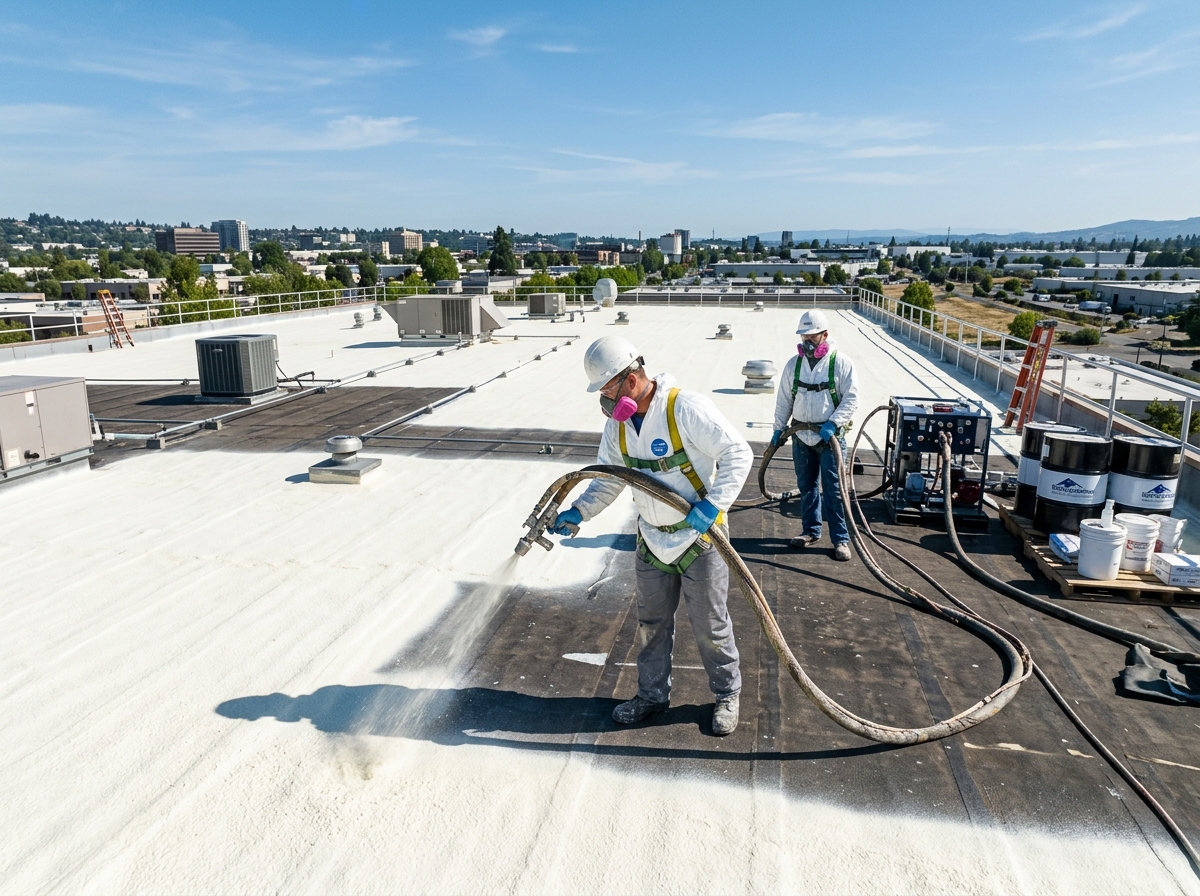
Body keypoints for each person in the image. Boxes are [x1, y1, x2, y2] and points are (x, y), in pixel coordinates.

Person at [548, 336, 753, 736]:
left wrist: (713, 505)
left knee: (710, 624)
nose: (604, 399)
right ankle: (652, 695)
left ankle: (727, 694)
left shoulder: (684, 408)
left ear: (630, 379)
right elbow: (609, 479)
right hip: (652, 541)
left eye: (607, 389)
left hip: (699, 540)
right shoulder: (618, 427)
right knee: (651, 626)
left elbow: (738, 453)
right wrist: (580, 511)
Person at [772, 308, 860, 561]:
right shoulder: (794, 364)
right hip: (801, 436)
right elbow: (784, 399)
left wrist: (833, 423)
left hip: (829, 438)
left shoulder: (840, 363)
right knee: (807, 487)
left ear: (825, 335)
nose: (807, 341)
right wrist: (779, 428)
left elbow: (851, 399)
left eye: (812, 336)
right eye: (804, 337)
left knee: (834, 490)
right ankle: (810, 531)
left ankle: (840, 539)